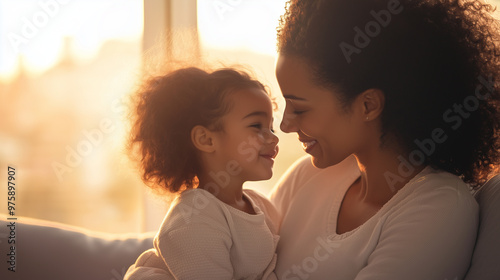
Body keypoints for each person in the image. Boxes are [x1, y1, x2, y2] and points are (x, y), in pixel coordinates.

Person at [270, 0, 500, 279]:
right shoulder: (306, 175)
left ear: (368, 106)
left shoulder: (440, 209)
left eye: (300, 108)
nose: (284, 125)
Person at [124, 67, 280, 279]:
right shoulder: (192, 218)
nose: (273, 138)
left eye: (271, 128)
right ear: (206, 140)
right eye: (256, 126)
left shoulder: (261, 206)